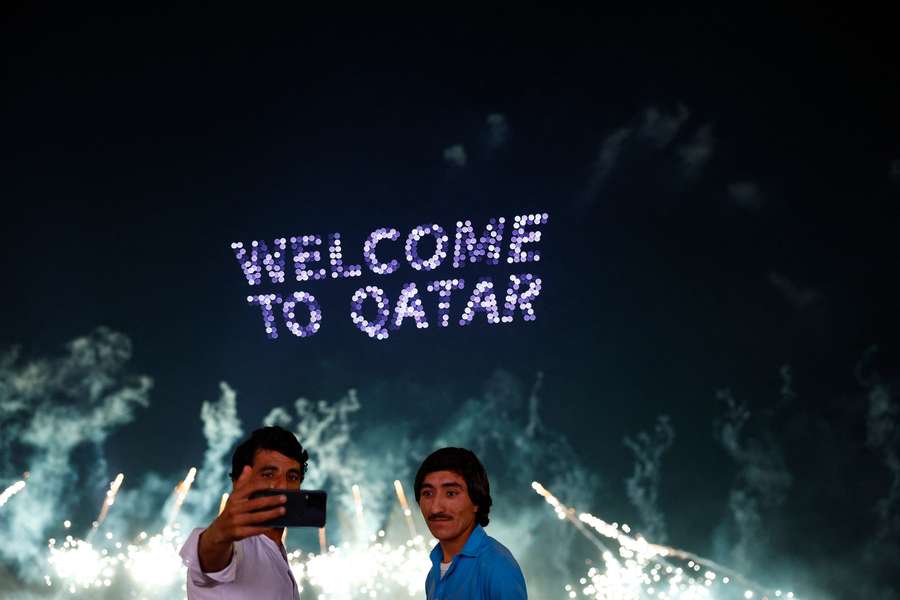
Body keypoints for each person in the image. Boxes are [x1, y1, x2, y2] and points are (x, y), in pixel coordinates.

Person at [179, 426, 308, 599]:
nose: (283, 486)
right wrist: (219, 534)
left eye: (292, 477)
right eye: (268, 474)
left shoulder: (277, 551)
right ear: (239, 482)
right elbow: (209, 557)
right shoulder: (237, 546)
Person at [414, 447, 527, 599]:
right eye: (427, 493)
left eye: (451, 493)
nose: (435, 508)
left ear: (476, 501)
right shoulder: (433, 576)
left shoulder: (497, 566)